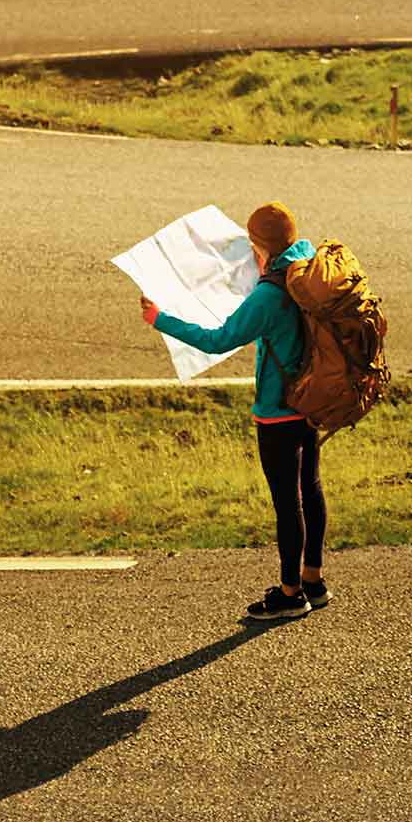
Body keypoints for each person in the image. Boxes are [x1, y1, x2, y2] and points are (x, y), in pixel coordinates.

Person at [141, 201, 329, 621]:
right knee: (310, 488)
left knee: (287, 503)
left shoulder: (268, 294)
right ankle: (313, 581)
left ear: (257, 245)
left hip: (278, 411)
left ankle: (289, 593)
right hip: (311, 401)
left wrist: (160, 318)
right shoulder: (307, 266)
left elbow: (218, 339)